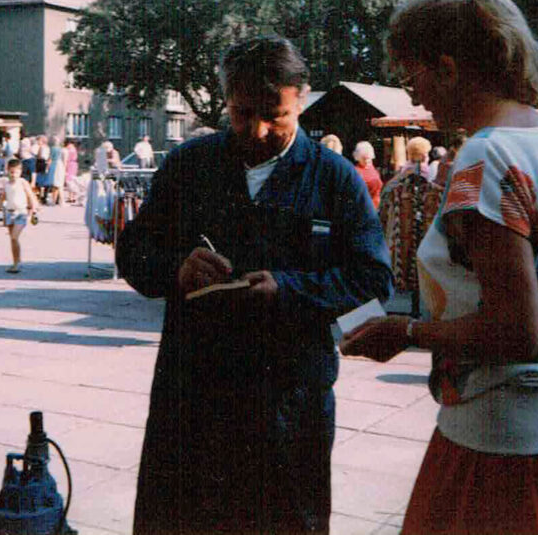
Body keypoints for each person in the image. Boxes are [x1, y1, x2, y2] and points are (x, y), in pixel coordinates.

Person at [341, 0, 538, 535]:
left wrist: (406, 331)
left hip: (501, 444)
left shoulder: (487, 156)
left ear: (447, 68)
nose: (416, 98)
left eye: (412, 76)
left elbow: (514, 332)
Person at [116, 35, 392, 534]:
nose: (258, 129)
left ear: (301, 100)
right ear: (225, 101)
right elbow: (133, 254)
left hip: (289, 402)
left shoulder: (335, 180)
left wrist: (290, 289)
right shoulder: (188, 166)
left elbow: (373, 280)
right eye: (242, 114)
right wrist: (176, 268)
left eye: (275, 115)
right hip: (194, 397)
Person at [0, 158, 38, 273]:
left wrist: (34, 209)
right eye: (11, 172)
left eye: (15, 172)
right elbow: (3, 197)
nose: (13, 175)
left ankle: (17, 263)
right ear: (7, 171)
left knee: (14, 237)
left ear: (20, 171)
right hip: (9, 213)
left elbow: (31, 196)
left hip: (21, 213)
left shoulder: (22, 182)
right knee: (12, 239)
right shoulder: (6, 184)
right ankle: (16, 261)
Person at [353, 140, 383, 208]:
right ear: (358, 158)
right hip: (365, 207)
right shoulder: (355, 172)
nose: (367, 161)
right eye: (364, 159)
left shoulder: (373, 168)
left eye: (368, 159)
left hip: (377, 204)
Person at [44, 135, 66, 206]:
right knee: (58, 184)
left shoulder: (53, 149)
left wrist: (47, 167)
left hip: (55, 165)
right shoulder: (61, 149)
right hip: (60, 165)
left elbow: (50, 159)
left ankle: (55, 201)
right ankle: (59, 201)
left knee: (56, 184)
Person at [63, 139, 80, 204]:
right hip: (73, 165)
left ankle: (72, 196)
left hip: (70, 165)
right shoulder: (74, 149)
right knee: (71, 181)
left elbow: (67, 158)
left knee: (69, 181)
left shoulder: (70, 149)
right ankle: (71, 197)